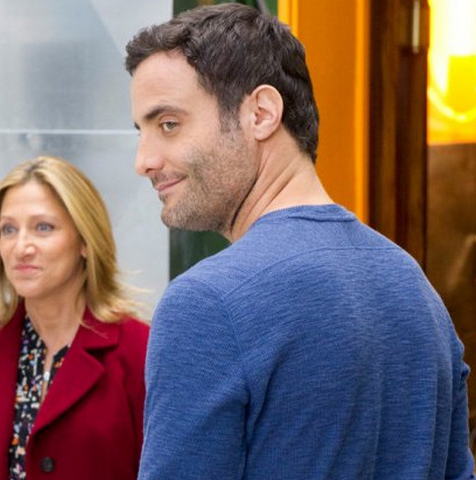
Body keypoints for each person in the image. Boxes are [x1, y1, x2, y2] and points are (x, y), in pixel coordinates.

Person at [125, 4, 475, 479]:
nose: (144, 160)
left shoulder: (207, 304)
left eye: (168, 124)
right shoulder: (412, 286)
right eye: (141, 131)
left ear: (261, 114)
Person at [0, 156, 149, 480]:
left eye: (43, 227)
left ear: (85, 240)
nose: (21, 247)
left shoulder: (139, 348)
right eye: (8, 229)